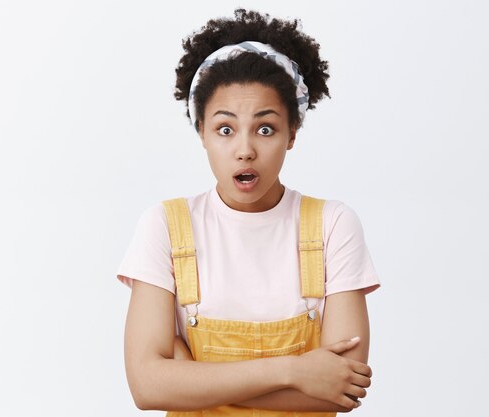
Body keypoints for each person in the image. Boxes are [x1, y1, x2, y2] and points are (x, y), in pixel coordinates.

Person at [116, 8, 382, 416]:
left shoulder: (333, 225)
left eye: (265, 128)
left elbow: (342, 388)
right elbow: (147, 387)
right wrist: (295, 370)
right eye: (225, 129)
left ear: (292, 133)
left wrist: (192, 377)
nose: (245, 149)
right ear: (201, 131)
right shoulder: (165, 227)